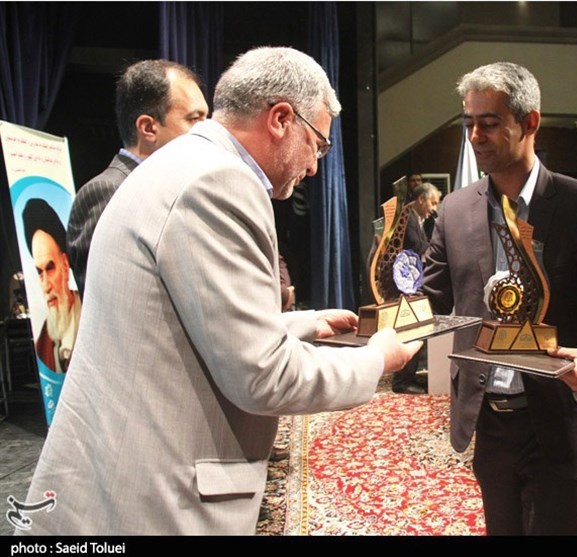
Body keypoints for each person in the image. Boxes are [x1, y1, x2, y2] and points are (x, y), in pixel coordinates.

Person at [18, 46, 420, 536]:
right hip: (151, 499)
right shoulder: (220, 181)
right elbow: (265, 377)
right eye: (317, 145)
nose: (315, 167)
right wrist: (377, 359)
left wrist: (303, 323)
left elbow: (180, 318)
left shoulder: (186, 162)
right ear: (281, 119)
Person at [422, 62, 577, 535]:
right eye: (469, 123)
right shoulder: (455, 209)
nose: (475, 136)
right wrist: (375, 323)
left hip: (562, 420)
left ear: (529, 122)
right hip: (489, 421)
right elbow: (428, 297)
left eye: (489, 123)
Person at [66, 59, 209, 296]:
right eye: (195, 119)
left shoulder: (176, 190)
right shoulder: (107, 192)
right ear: (148, 128)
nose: (207, 130)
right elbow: (108, 299)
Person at [21, 199, 82, 373]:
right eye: (40, 272)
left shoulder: (91, 315)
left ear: (65, 264)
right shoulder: (43, 345)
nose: (46, 286)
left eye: (50, 268)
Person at [392, 182, 440, 394]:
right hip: (404, 286)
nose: (434, 209)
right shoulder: (408, 218)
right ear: (421, 199)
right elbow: (417, 248)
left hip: (412, 283)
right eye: (433, 203)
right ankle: (403, 381)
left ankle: (409, 375)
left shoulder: (417, 219)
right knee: (411, 329)